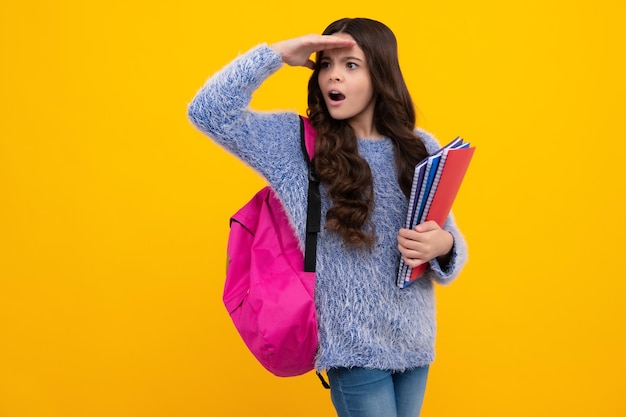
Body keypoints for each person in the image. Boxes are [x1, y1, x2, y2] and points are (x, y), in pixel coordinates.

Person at [188, 17, 468, 417]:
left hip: (414, 340)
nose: (333, 76)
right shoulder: (294, 144)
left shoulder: (420, 147)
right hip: (350, 345)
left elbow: (448, 242)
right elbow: (209, 113)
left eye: (350, 65)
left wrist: (443, 245)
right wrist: (277, 55)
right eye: (325, 64)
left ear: (380, 73)